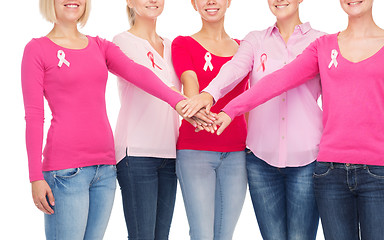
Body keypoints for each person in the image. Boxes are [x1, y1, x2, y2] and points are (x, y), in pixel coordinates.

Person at [209, 0, 384, 239]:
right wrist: (230, 109)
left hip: (381, 173)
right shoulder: (323, 46)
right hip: (330, 173)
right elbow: (279, 80)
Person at [21, 0, 187, 239]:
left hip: (105, 170)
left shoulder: (100, 46)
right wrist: (35, 176)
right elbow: (34, 116)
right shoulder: (37, 49)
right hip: (65, 171)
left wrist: (177, 101)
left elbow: (139, 73)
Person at [181, 0, 323, 239]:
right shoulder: (255, 40)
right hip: (261, 162)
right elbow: (234, 68)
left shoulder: (322, 42)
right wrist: (209, 93)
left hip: (308, 159)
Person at [171, 0, 249, 239]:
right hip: (195, 152)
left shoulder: (244, 48)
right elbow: (190, 84)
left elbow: (248, 101)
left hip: (237, 153)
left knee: (224, 235)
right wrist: (198, 107)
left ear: (228, 2)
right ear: (194, 4)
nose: (211, 1)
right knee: (202, 234)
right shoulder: (182, 43)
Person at [112, 0, 183, 239]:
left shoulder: (174, 46)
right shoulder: (122, 42)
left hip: (170, 154)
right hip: (137, 154)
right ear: (130, 2)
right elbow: (151, 82)